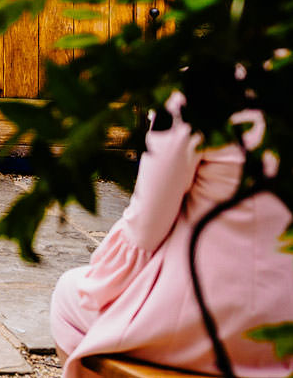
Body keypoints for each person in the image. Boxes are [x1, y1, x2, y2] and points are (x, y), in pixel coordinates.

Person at [51, 92, 293, 377]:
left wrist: (104, 280)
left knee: (69, 296)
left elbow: (146, 227)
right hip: (284, 328)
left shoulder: (198, 93)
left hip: (208, 321)